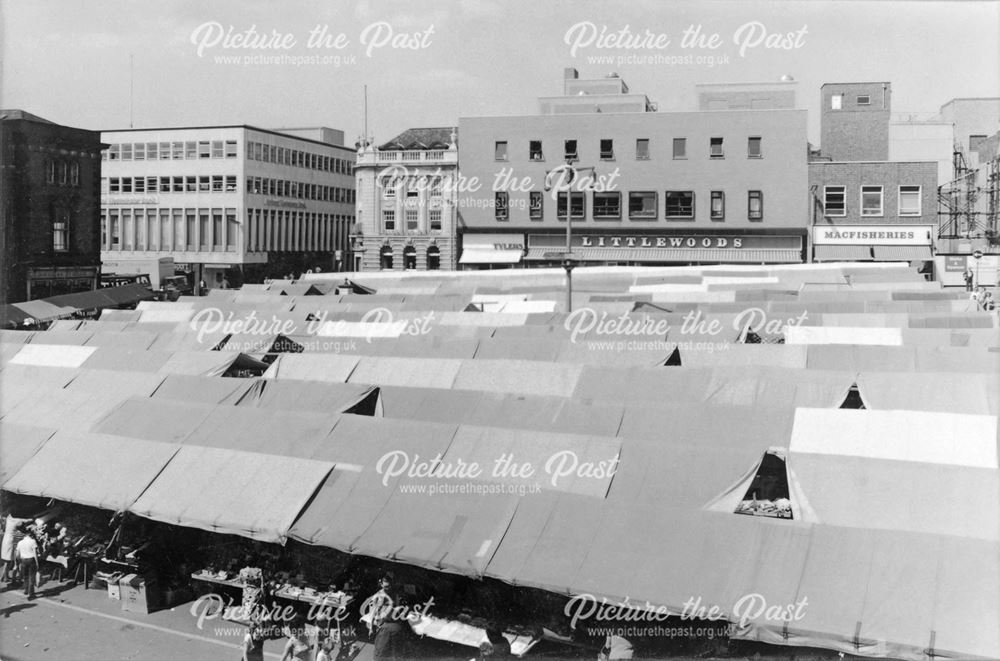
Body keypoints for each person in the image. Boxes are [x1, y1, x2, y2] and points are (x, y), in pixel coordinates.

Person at [16, 530, 39, 599]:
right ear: (30, 535)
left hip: (23, 559)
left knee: (25, 576)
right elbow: (35, 553)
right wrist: (37, 563)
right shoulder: (33, 541)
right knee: (31, 576)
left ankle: (26, 590)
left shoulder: (20, 542)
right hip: (31, 559)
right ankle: (31, 593)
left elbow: (17, 554)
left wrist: (19, 561)